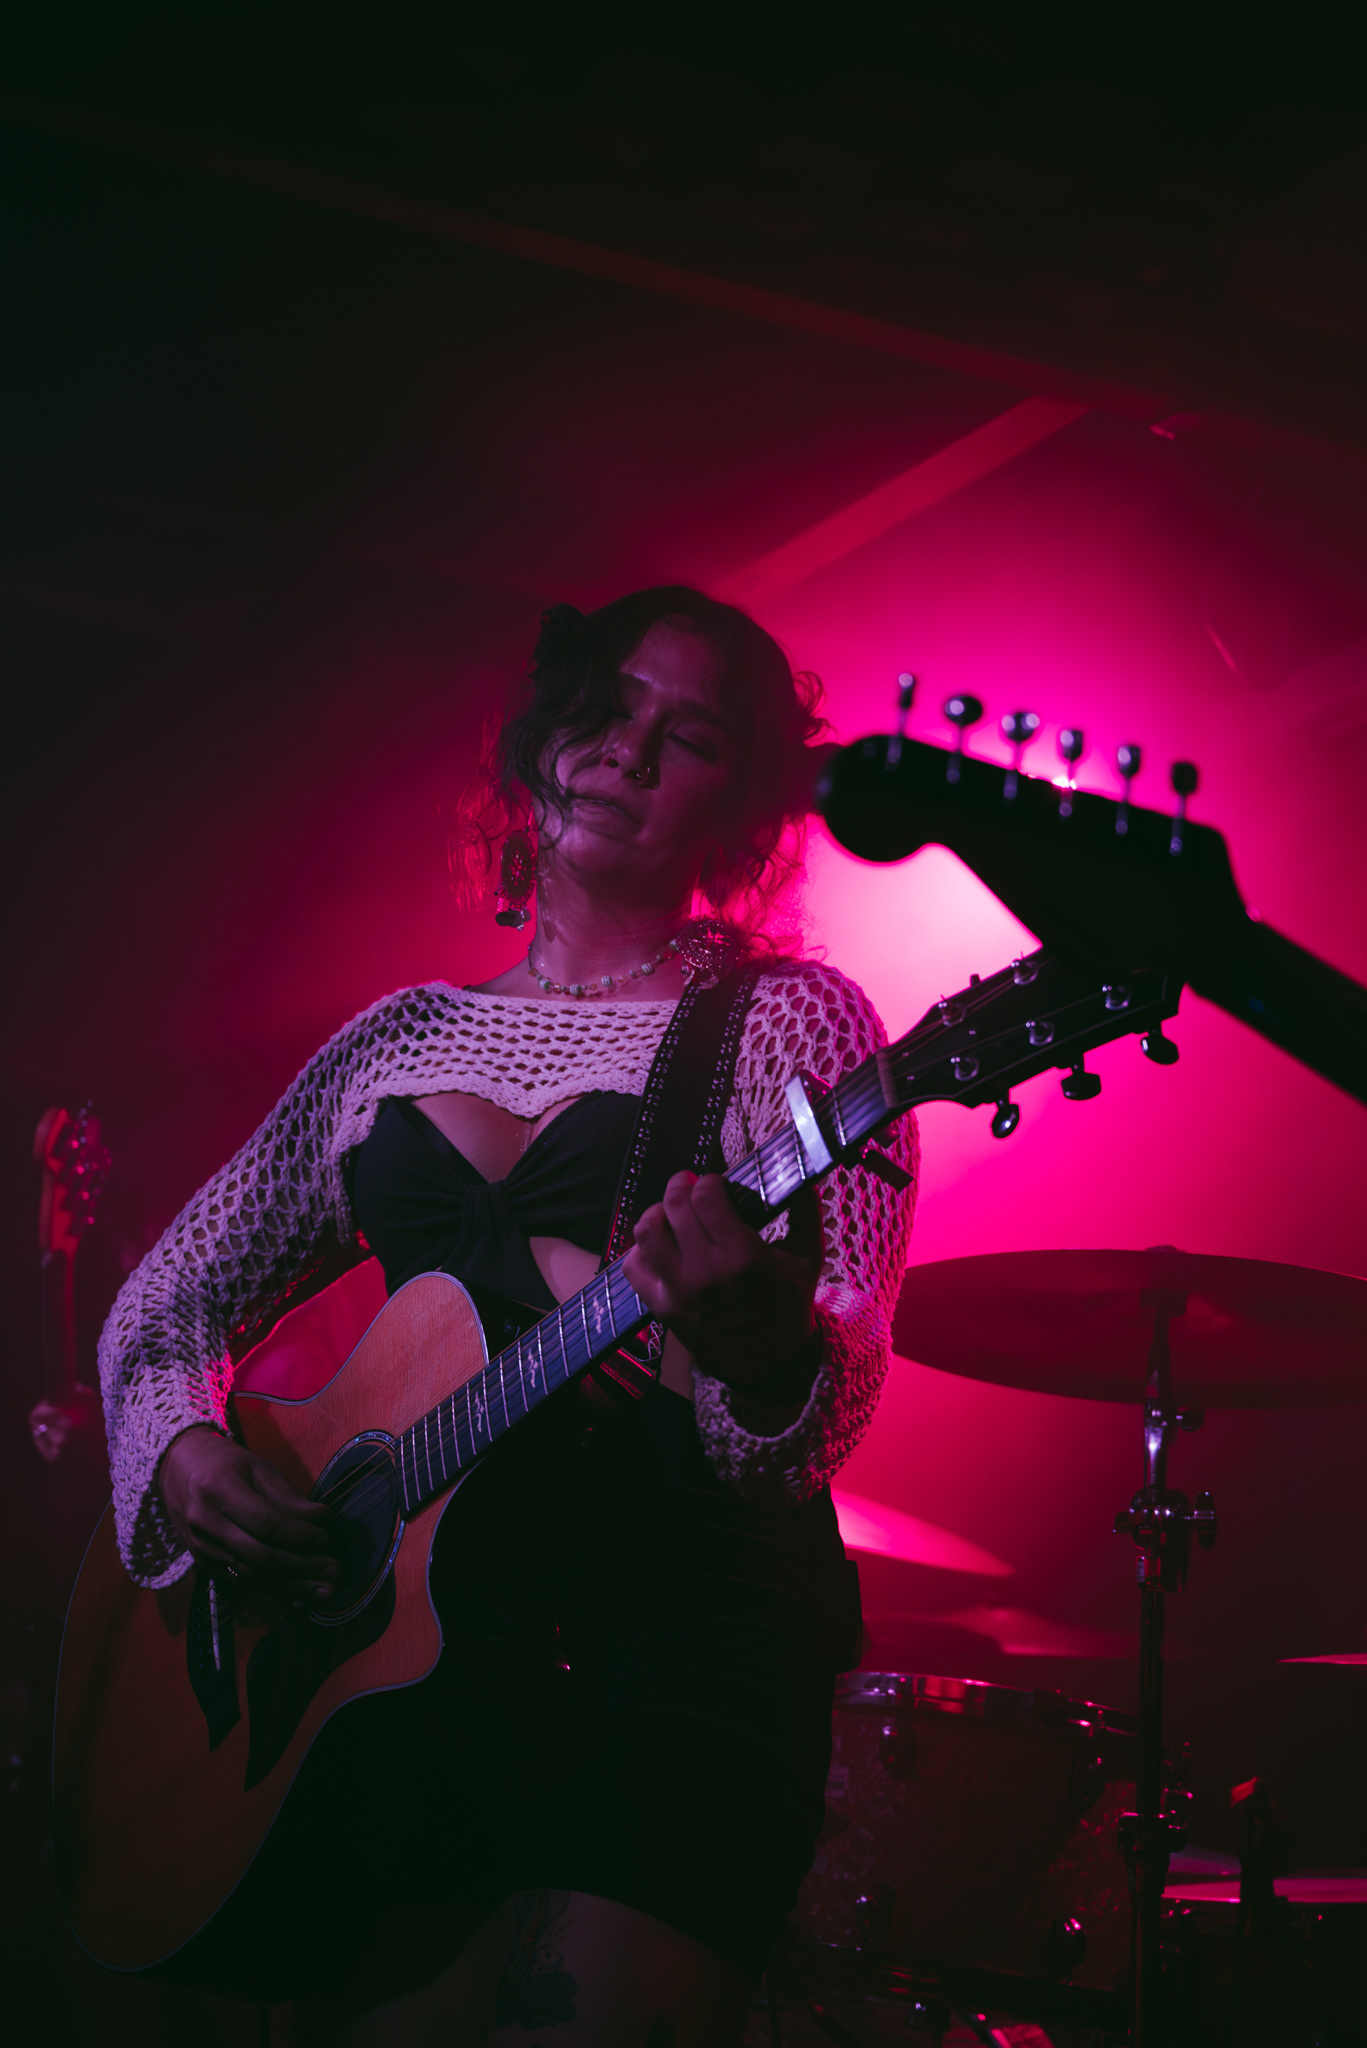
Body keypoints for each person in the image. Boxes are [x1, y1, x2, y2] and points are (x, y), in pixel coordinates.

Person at [97, 587, 918, 2046]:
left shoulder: (795, 1023)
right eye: (608, 706)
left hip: (683, 1638)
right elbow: (167, 1301)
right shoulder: (392, 1043)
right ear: (544, 734)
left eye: (691, 738)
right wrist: (184, 1451)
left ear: (740, 811)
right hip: (416, 1668)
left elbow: (832, 1386)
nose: (628, 752)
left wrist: (763, 1351)